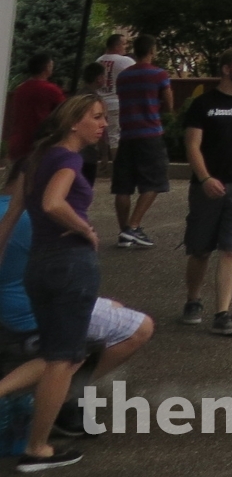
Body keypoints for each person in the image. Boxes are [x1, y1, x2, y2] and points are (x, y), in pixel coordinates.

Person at [0, 166, 153, 447]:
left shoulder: (10, 212)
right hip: (31, 313)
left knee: (110, 308)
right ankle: (60, 399)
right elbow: (69, 275)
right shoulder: (36, 219)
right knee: (138, 327)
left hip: (12, 308)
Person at [18, 94, 111, 470]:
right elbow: (53, 204)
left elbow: (20, 214)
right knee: (64, 358)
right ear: (75, 123)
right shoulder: (69, 158)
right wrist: (84, 229)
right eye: (97, 117)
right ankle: (37, 449)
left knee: (53, 353)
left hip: (39, 264)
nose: (104, 124)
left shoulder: (41, 156)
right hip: (68, 264)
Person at [180, 47, 232, 336]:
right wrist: (205, 178)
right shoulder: (203, 104)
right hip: (207, 186)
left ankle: (222, 312)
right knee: (200, 250)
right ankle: (193, 300)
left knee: (231, 248)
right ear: (226, 69)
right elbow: (192, 146)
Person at [110, 35, 173, 250]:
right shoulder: (159, 74)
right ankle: (133, 226)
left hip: (127, 134)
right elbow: (169, 103)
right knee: (155, 181)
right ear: (152, 51)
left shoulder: (124, 76)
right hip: (150, 134)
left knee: (123, 186)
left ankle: (124, 232)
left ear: (135, 51)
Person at [6, 59, 65, 164]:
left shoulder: (20, 89)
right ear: (46, 69)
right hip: (38, 145)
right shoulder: (51, 90)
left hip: (17, 143)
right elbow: (65, 111)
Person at [93, 35, 134, 156]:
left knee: (101, 135)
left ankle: (103, 161)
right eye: (124, 44)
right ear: (117, 46)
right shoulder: (126, 61)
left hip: (100, 103)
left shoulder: (99, 60)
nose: (126, 47)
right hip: (116, 102)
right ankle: (117, 167)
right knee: (115, 136)